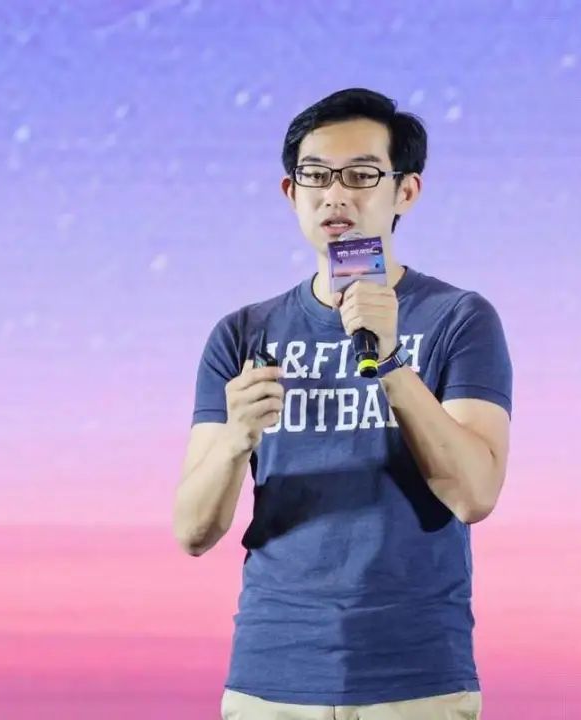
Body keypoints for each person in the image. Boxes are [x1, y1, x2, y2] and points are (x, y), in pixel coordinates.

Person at [173, 88, 513, 720]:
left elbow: (475, 495)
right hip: (273, 676)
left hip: (413, 678)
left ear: (405, 191)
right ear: (290, 192)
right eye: (316, 175)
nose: (335, 195)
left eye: (360, 175)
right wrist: (236, 440)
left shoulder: (460, 319)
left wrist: (391, 362)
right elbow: (193, 531)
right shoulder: (243, 334)